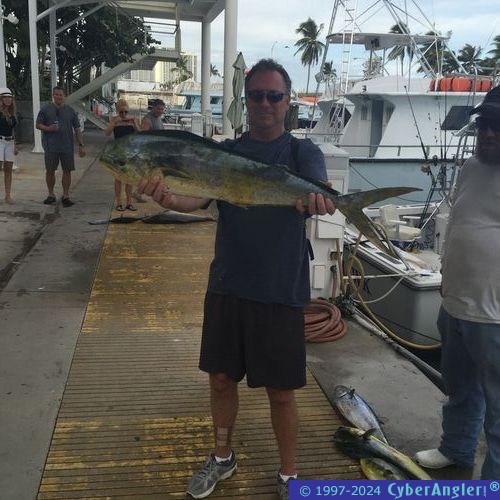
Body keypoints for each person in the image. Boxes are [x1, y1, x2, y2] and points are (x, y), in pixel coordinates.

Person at [138, 59, 335, 499]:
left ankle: (290, 475)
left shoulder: (303, 153)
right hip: (227, 284)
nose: (265, 104)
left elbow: (320, 192)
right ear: (245, 101)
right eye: (256, 95)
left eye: (274, 95)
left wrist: (320, 201)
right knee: (221, 380)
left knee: (282, 393)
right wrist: (167, 197)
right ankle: (223, 458)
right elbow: (198, 200)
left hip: (281, 290)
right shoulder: (225, 154)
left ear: (288, 101)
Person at [414, 85, 500, 479]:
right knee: (460, 391)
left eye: (498, 126)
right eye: (484, 124)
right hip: (456, 303)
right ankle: (457, 450)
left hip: (494, 316)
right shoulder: (471, 168)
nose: (488, 133)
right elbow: (460, 226)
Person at [36, 86, 85, 207]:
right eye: (56, 94)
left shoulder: (70, 110)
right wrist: (48, 128)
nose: (58, 96)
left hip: (67, 146)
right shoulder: (46, 109)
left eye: (60, 94)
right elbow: (38, 125)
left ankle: (66, 195)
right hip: (51, 146)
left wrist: (81, 145)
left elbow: (77, 128)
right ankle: (51, 194)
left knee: (67, 171)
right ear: (53, 95)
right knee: (50, 170)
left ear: (65, 96)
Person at [105, 98, 139, 211]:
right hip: (118, 151)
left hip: (130, 152)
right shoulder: (114, 120)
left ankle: (129, 201)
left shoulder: (132, 119)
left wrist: (134, 122)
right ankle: (119, 202)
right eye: (121, 112)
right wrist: (115, 122)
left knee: (129, 178)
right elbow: (107, 133)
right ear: (117, 111)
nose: (124, 114)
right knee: (118, 178)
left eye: (126, 112)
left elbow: (140, 133)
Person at [0, 87, 17, 204]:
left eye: (9, 97)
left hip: (10, 142)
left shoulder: (12, 112)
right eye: (5, 97)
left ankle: (7, 195)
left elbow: (13, 130)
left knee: (9, 169)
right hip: (0, 141)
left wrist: (15, 145)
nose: (8, 100)